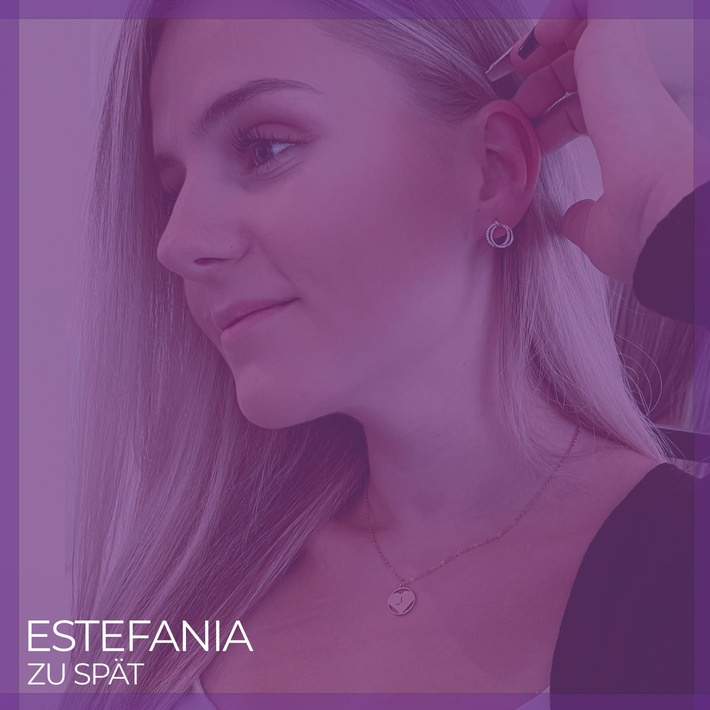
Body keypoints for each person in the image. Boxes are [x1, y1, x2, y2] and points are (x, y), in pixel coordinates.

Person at [61, 1, 704, 709]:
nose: (177, 244)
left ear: (491, 171)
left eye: (264, 148)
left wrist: (673, 211)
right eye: (172, 190)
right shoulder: (176, 598)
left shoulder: (683, 572)